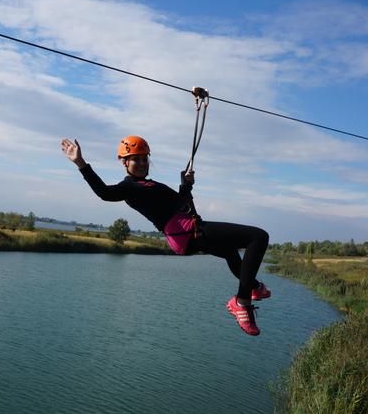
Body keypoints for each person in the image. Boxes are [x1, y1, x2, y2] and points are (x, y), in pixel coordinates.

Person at [61, 135, 270, 336]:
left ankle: (252, 287)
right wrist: (81, 163)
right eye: (136, 159)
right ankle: (242, 302)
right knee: (258, 237)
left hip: (188, 233)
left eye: (145, 159)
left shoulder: (149, 185)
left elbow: (180, 203)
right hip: (190, 232)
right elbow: (104, 193)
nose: (142, 163)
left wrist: (185, 185)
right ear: (124, 162)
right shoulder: (129, 187)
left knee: (230, 253)